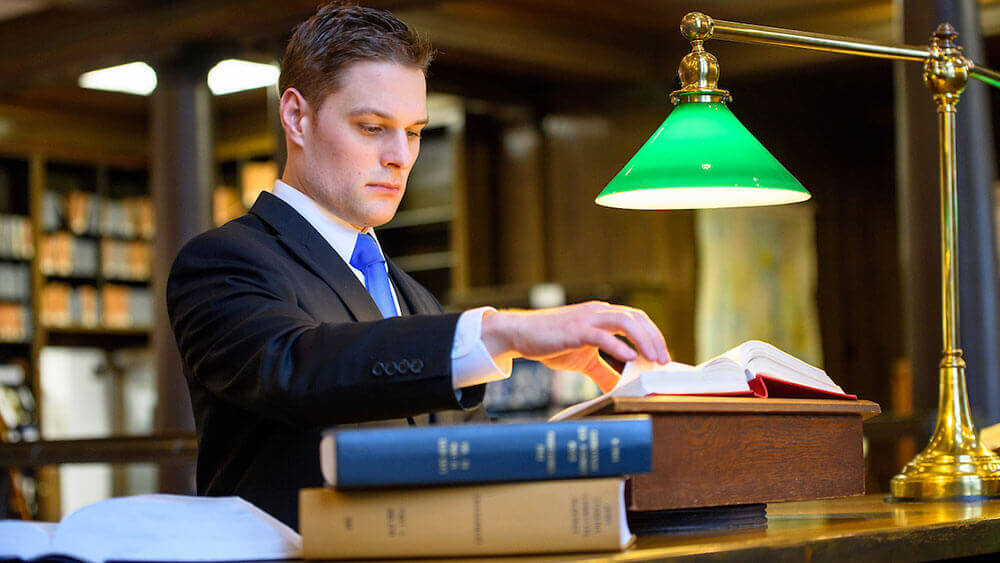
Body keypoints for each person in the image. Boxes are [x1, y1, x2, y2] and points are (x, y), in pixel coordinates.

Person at [166, 2, 669, 530]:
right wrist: (502, 331)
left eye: (413, 131)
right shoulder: (225, 261)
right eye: (371, 127)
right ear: (296, 116)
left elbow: (469, 453)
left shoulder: (414, 298)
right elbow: (295, 368)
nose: (400, 156)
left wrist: (619, 430)